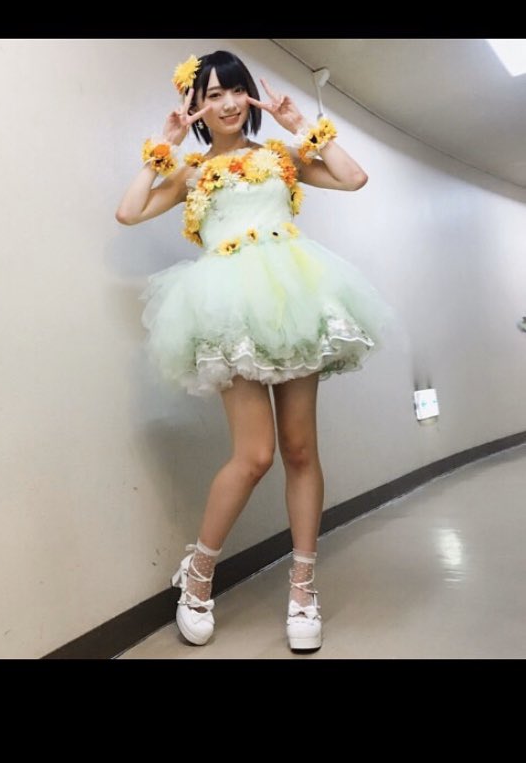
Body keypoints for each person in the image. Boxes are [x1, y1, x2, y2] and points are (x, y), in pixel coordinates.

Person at [115, 50, 400, 652]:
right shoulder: (192, 172)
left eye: (235, 90)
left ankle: (302, 589)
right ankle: (197, 575)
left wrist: (300, 125)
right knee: (254, 455)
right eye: (212, 94)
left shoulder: (281, 156)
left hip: (294, 298)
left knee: (300, 448)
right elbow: (128, 211)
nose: (226, 103)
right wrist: (163, 146)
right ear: (195, 106)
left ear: (249, 96)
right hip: (229, 311)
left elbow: (353, 177)